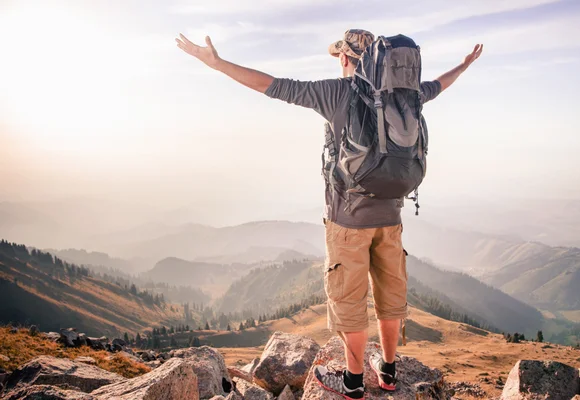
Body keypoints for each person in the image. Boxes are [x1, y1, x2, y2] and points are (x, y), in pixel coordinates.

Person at [176, 29, 482, 400]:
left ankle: (352, 382)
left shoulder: (338, 93)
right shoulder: (406, 96)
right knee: (390, 295)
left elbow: (275, 87)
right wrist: (464, 66)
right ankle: (387, 371)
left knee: (349, 300)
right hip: (392, 217)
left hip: (348, 220)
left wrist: (217, 63)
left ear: (345, 58)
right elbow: (438, 85)